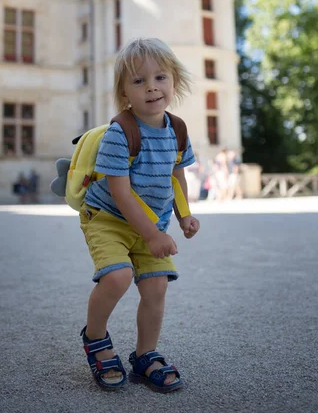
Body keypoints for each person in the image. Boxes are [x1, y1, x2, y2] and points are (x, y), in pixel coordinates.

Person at [79, 37, 200, 392]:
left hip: (153, 224)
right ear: (124, 93)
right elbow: (120, 191)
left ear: (174, 81)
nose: (151, 88)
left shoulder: (177, 129)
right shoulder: (121, 132)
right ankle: (96, 339)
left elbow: (176, 175)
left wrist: (183, 216)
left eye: (160, 78)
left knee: (156, 286)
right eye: (138, 81)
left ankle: (145, 355)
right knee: (116, 278)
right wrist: (152, 235)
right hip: (108, 218)